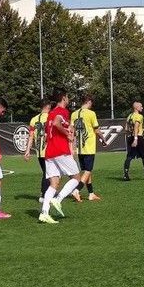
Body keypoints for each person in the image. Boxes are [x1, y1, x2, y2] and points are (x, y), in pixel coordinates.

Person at [38, 88, 84, 224]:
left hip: (50, 152)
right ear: (64, 98)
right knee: (76, 178)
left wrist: (67, 129)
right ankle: (58, 199)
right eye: (67, 97)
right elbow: (57, 123)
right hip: (60, 150)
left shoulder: (51, 113)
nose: (68, 99)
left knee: (54, 183)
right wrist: (67, 134)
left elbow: (51, 130)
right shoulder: (61, 111)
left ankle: (44, 213)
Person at [69, 95, 106, 201]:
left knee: (86, 171)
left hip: (80, 147)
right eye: (91, 103)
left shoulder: (74, 114)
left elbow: (72, 131)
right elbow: (96, 130)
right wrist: (103, 139)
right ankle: (77, 190)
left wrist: (72, 146)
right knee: (88, 170)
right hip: (89, 146)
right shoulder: (91, 113)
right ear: (88, 102)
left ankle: (91, 193)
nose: (91, 105)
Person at [23, 98, 51, 202]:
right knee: (48, 173)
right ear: (48, 106)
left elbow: (30, 136)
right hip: (49, 150)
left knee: (47, 172)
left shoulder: (34, 119)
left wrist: (27, 151)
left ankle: (48, 193)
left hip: (39, 151)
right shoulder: (50, 117)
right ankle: (44, 195)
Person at [123, 101, 144, 181]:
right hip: (138, 138)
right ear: (137, 108)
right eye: (141, 106)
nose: (142, 108)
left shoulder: (130, 116)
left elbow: (126, 129)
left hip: (130, 137)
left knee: (129, 156)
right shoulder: (139, 116)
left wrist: (130, 136)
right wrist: (135, 139)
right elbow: (136, 127)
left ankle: (126, 175)